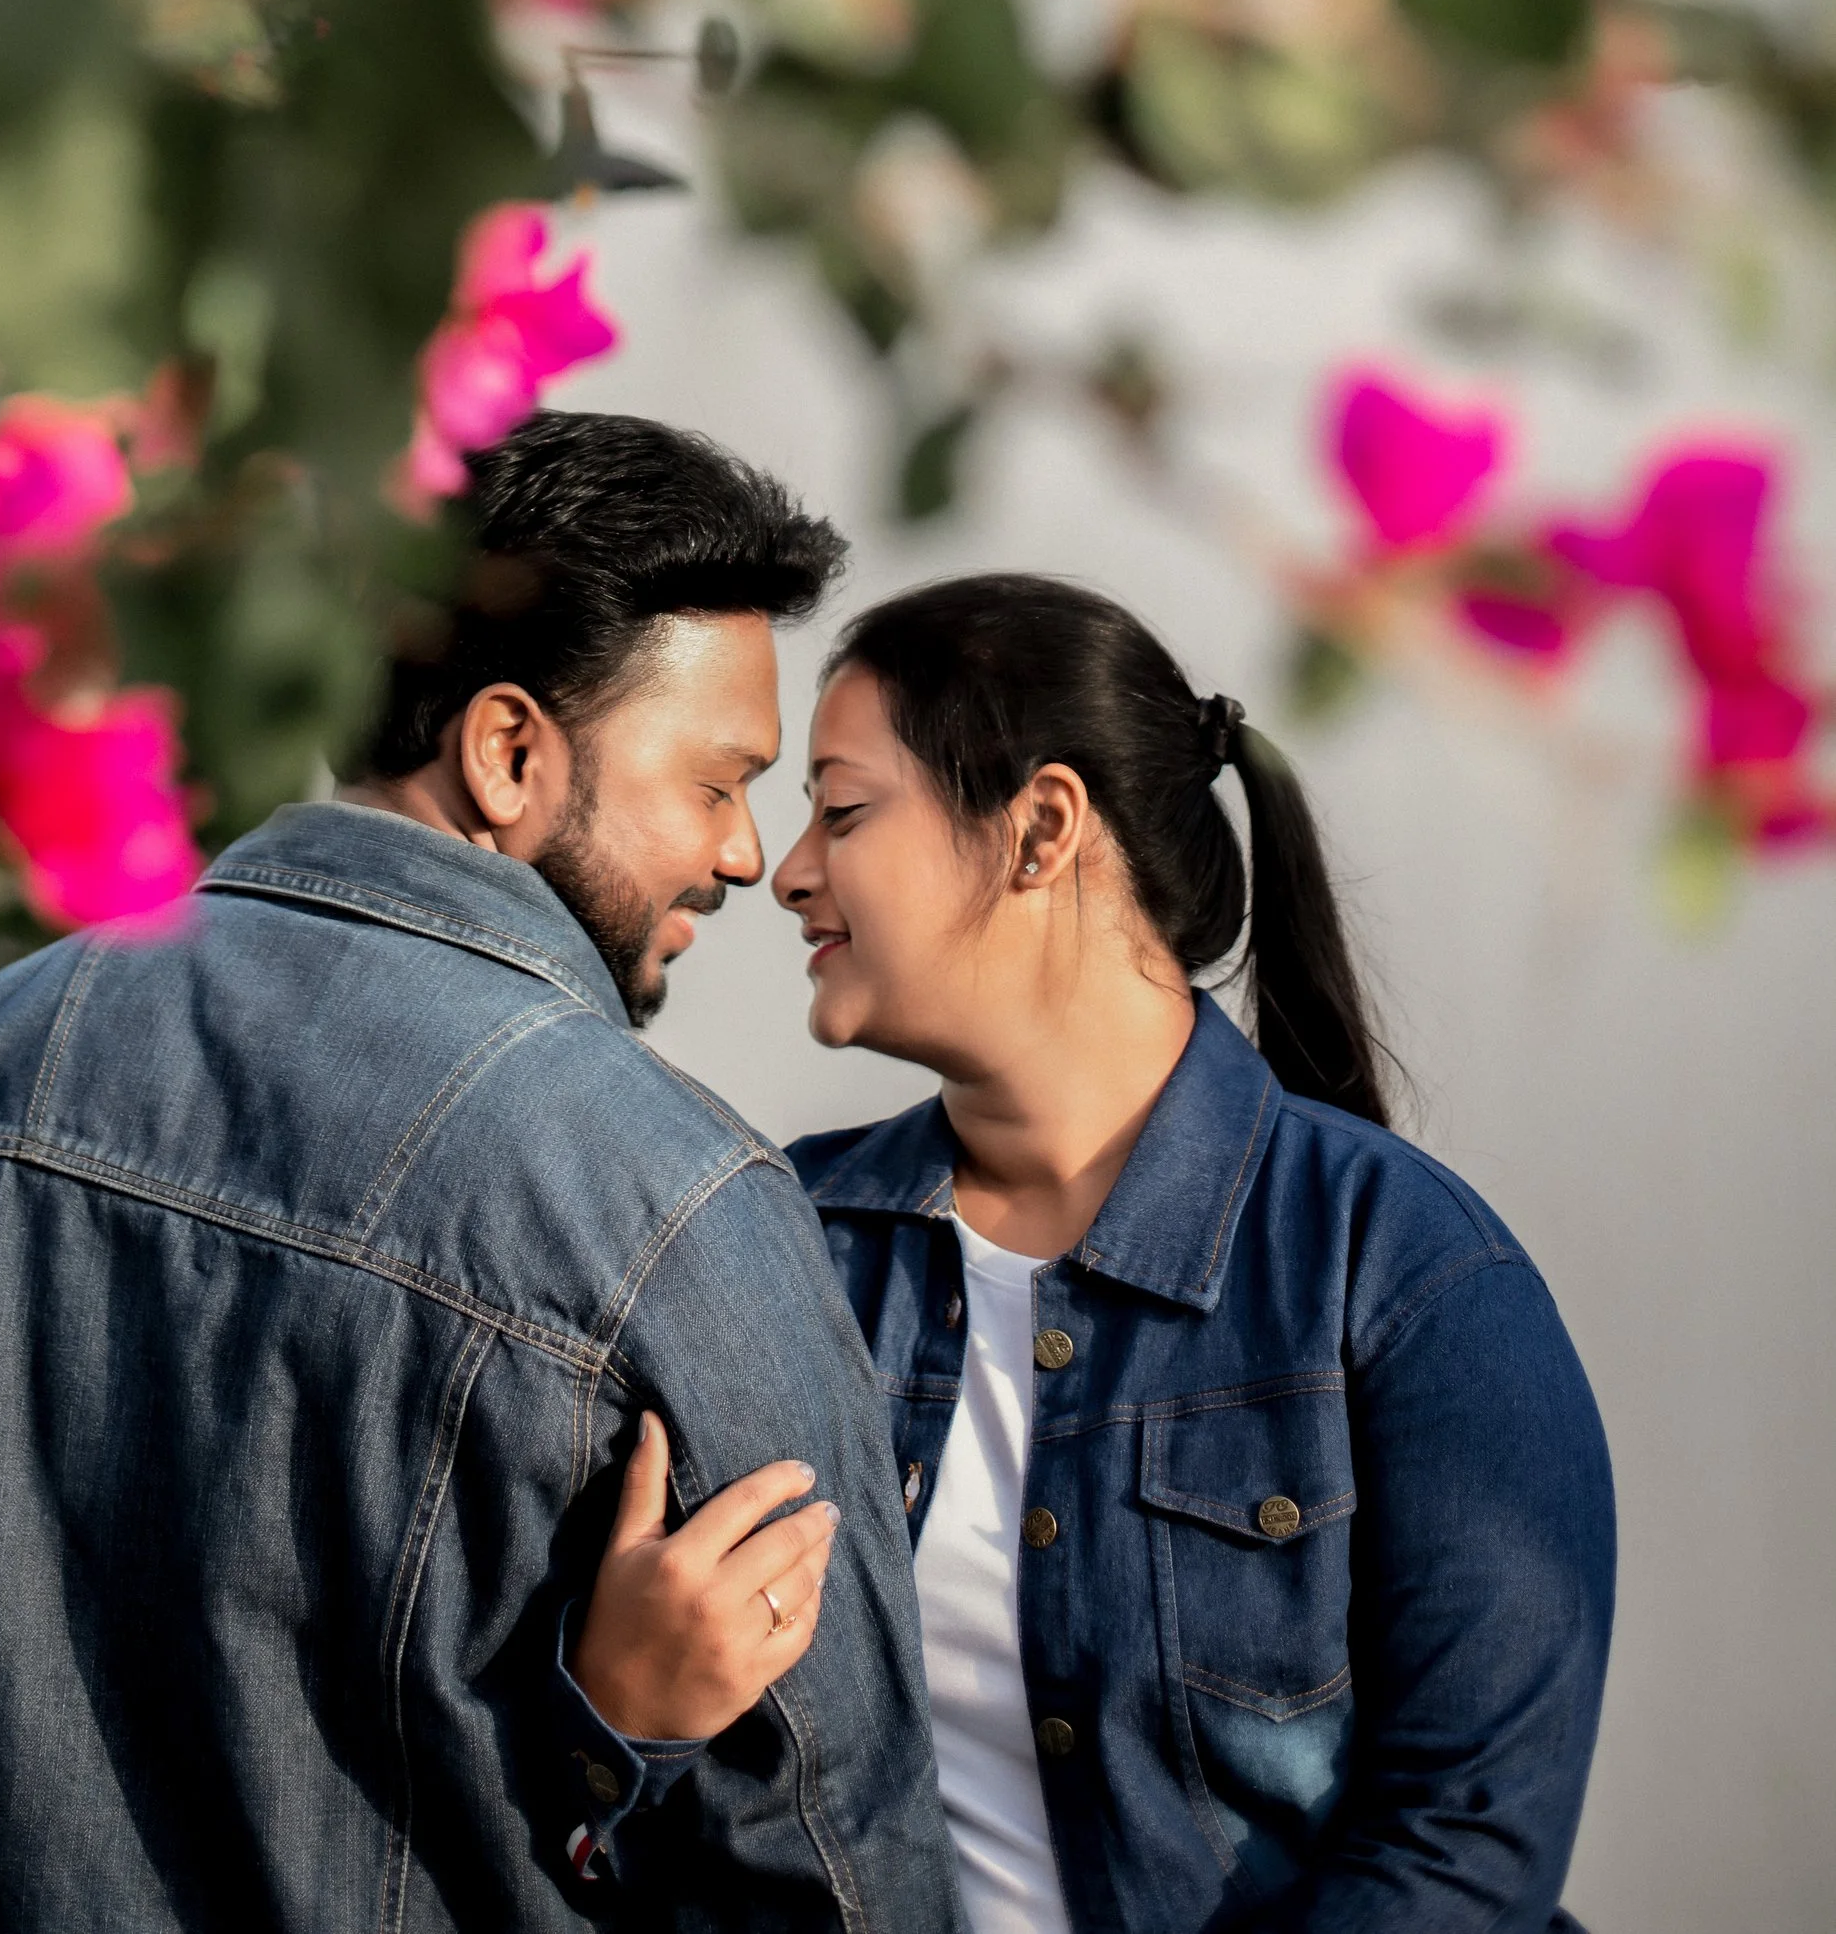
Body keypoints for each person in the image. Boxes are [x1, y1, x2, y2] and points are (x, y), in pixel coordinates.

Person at [0, 411, 967, 1933]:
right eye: (720, 780)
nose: (744, 854)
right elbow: (827, 1854)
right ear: (510, 750)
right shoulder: (670, 1205)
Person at [573, 572, 1616, 1932]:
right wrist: (616, 1708)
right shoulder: (779, 1246)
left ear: (1041, 827)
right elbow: (667, 1801)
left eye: (842, 807)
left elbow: (1467, 1847)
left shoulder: (1405, 1271)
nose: (789, 868)